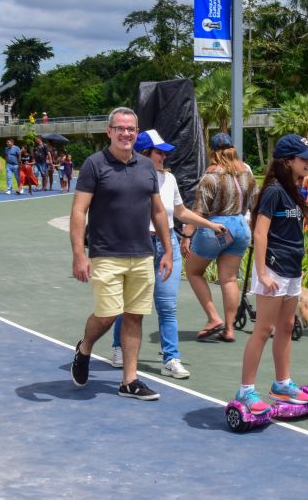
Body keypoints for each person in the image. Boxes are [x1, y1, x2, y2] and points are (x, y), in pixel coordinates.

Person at [69, 107, 173, 401]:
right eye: (120, 128)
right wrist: (79, 254)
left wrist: (167, 249)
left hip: (142, 253)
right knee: (107, 314)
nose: (126, 133)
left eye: (131, 129)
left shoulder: (146, 167)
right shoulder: (94, 165)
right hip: (106, 253)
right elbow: (78, 211)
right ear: (109, 132)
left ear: (136, 133)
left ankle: (129, 380)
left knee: (134, 316)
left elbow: (158, 211)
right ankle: (86, 346)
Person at [110, 130, 227, 379]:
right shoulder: (126, 178)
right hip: (136, 248)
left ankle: (171, 358)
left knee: (168, 307)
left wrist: (211, 225)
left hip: (166, 246)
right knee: (129, 306)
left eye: (164, 153)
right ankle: (119, 347)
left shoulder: (169, 180)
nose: (163, 157)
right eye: (158, 152)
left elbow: (181, 212)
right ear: (144, 154)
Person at [234, 134, 308, 415]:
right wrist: (261, 273)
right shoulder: (272, 191)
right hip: (273, 270)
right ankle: (246, 390)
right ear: (287, 161)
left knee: (285, 327)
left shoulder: (293, 191)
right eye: (303, 158)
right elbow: (259, 233)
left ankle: (282, 383)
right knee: (263, 330)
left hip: (292, 270)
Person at [183, 132, 257, 343]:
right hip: (240, 227)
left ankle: (213, 317)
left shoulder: (210, 176)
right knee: (230, 278)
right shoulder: (246, 173)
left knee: (193, 271)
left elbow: (199, 212)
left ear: (213, 152)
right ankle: (230, 328)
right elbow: (254, 204)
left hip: (216, 227)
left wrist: (186, 236)